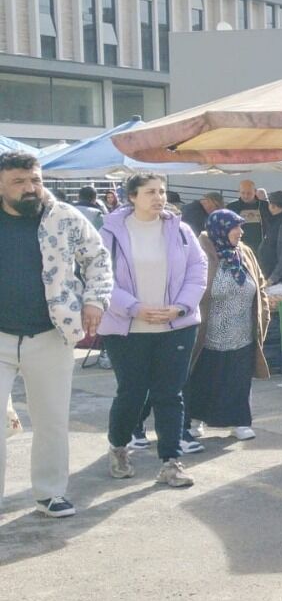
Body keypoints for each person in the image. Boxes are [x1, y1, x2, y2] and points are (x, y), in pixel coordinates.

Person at [0, 151, 111, 517]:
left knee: (51, 420)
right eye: (20, 181)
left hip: (51, 334)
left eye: (35, 180)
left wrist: (95, 301)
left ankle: (50, 493)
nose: (30, 188)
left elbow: (98, 259)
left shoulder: (64, 217)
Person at [100, 172, 208, 491]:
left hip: (175, 326)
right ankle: (119, 447)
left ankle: (170, 462)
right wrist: (133, 307)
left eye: (162, 191)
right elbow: (99, 277)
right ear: (131, 197)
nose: (159, 198)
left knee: (169, 394)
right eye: (150, 192)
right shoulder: (110, 233)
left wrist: (181, 307)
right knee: (132, 393)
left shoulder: (181, 230)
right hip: (127, 327)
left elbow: (198, 271)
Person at [184, 209, 270, 444]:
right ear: (220, 229)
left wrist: (263, 314)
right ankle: (195, 420)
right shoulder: (202, 253)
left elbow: (259, 285)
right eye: (236, 227)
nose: (241, 232)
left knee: (239, 379)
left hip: (242, 331)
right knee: (204, 376)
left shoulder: (244, 253)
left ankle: (240, 422)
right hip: (209, 332)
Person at [226, 179, 268, 251]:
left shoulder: (265, 206)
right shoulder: (231, 207)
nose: (246, 196)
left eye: (249, 193)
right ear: (239, 191)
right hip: (239, 246)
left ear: (255, 191)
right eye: (243, 193)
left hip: (261, 247)